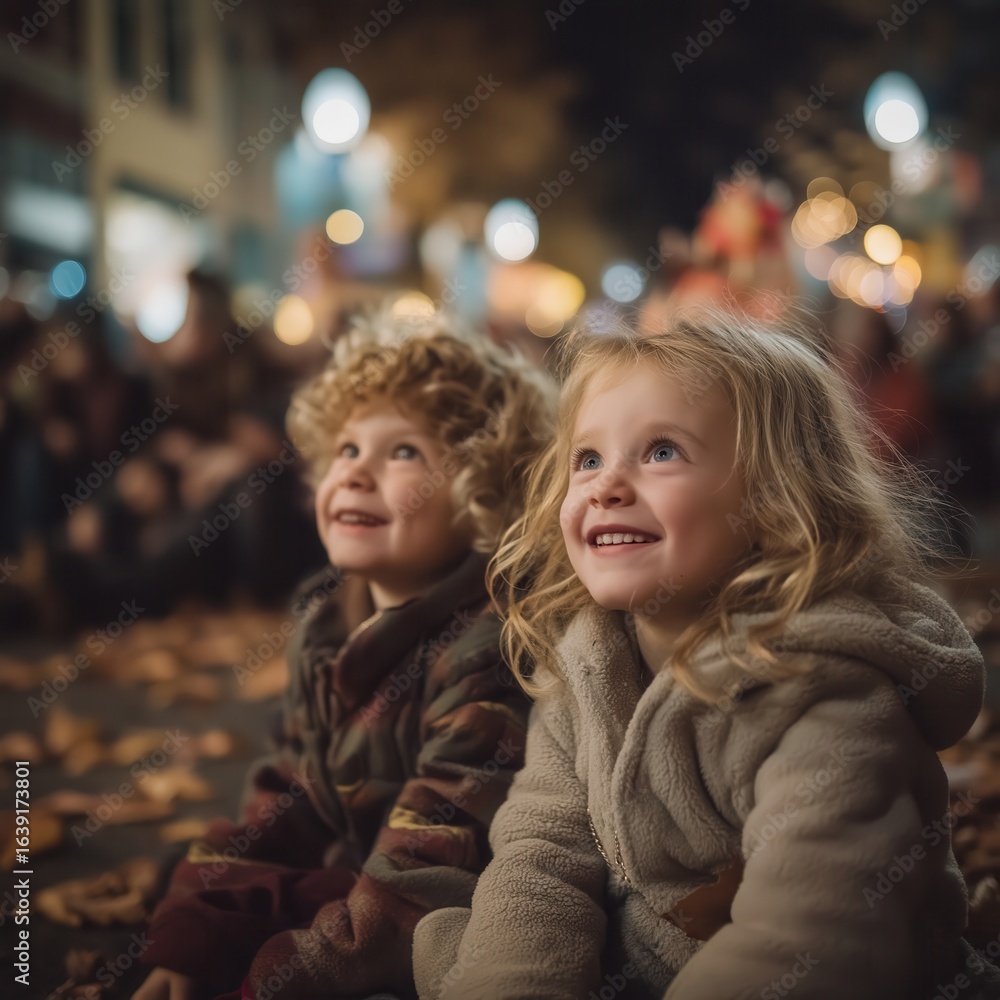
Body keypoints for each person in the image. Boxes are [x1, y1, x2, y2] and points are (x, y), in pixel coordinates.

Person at [412, 307, 998, 999]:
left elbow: (810, 936)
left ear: (779, 501)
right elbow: (544, 857)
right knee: (467, 939)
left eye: (662, 452)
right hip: (649, 958)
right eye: (588, 458)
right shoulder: (588, 667)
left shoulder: (827, 691)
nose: (607, 484)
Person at [132, 308, 556, 1000]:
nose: (357, 474)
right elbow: (287, 790)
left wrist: (273, 979)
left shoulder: (487, 650)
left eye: (404, 453)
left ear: (484, 493)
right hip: (352, 874)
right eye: (349, 450)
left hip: (434, 909)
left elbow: (428, 865)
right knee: (189, 883)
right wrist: (198, 931)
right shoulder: (326, 621)